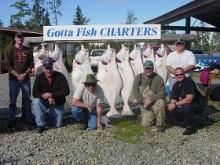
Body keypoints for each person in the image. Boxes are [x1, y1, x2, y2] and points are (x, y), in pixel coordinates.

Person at [32, 57, 70, 133]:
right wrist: (46, 96)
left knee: (57, 125)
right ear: (43, 68)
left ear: (53, 67)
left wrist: (52, 95)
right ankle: (41, 125)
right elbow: (35, 93)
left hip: (57, 102)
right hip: (45, 101)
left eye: (50, 68)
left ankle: (46, 116)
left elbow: (66, 91)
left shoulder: (60, 76)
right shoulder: (39, 77)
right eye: (46, 68)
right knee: (36, 102)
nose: (48, 70)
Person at [5, 31, 34, 128]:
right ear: (15, 38)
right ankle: (11, 119)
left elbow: (31, 64)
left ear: (23, 38)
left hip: (25, 79)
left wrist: (25, 74)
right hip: (13, 79)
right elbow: (7, 65)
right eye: (18, 37)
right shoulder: (9, 49)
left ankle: (28, 118)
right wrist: (17, 75)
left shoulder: (28, 50)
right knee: (13, 100)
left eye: (21, 37)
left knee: (27, 99)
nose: (20, 38)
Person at [167, 67, 205, 135]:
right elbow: (173, 99)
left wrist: (175, 104)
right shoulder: (176, 85)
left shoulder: (188, 82)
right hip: (187, 104)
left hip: (198, 104)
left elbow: (189, 99)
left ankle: (190, 127)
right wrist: (171, 106)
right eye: (177, 75)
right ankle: (185, 121)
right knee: (168, 107)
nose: (179, 76)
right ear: (175, 76)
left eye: (181, 74)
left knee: (186, 106)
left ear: (184, 74)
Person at [131, 60, 166, 132]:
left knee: (161, 102)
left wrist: (150, 100)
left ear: (153, 68)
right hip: (144, 103)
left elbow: (162, 93)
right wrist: (143, 101)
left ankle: (160, 125)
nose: (148, 70)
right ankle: (153, 116)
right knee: (146, 125)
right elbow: (135, 92)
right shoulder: (138, 77)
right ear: (143, 69)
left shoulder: (158, 78)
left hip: (154, 101)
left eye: (150, 68)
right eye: (146, 68)